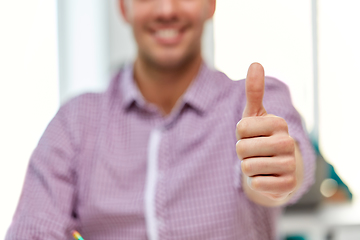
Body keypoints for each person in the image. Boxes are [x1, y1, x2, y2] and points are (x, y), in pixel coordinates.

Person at [6, 0, 315, 239]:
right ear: (123, 7)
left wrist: (274, 171)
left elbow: (289, 167)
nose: (167, 10)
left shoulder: (252, 104)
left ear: (211, 4)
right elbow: (34, 230)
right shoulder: (74, 124)